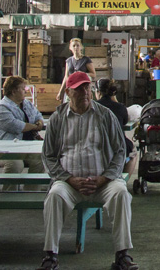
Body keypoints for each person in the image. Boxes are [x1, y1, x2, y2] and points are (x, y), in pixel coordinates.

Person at [38, 71, 136, 270]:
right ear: (68, 92)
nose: (84, 91)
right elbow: (48, 155)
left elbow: (119, 151)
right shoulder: (57, 118)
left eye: (87, 87)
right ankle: (50, 256)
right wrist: (68, 179)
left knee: (121, 194)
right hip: (69, 182)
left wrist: (104, 178)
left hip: (102, 182)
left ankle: (122, 255)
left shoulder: (105, 115)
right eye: (79, 88)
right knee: (54, 196)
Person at [0, 74, 46, 181]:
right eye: (23, 89)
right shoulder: (1, 108)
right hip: (2, 148)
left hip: (24, 147)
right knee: (15, 164)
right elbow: (17, 126)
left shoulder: (26, 103)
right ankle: (8, 194)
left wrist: (40, 122)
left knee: (40, 159)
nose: (26, 91)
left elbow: (38, 115)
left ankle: (31, 192)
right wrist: (35, 126)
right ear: (13, 91)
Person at [95, 78, 136, 179]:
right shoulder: (120, 107)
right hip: (118, 145)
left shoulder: (93, 107)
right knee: (133, 153)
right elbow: (125, 121)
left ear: (98, 92)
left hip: (96, 145)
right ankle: (122, 181)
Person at [57, 39, 96, 103]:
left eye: (77, 45)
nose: (76, 47)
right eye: (74, 46)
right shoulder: (68, 61)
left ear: (81, 47)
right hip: (71, 87)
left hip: (81, 88)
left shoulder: (86, 60)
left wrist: (81, 74)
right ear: (70, 48)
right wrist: (61, 92)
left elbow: (93, 74)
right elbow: (66, 77)